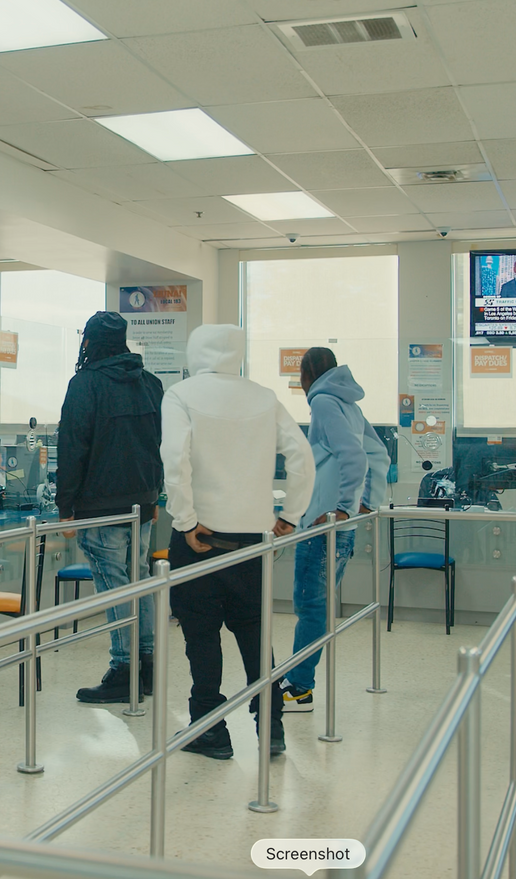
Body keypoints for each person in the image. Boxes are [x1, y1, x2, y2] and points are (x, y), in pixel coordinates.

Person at [161, 325, 314, 759]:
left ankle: (210, 730)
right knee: (254, 633)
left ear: (195, 350)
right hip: (252, 541)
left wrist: (187, 519)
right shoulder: (264, 397)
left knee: (202, 638)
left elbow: (175, 458)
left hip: (199, 540)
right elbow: (301, 457)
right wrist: (291, 515)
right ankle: (272, 727)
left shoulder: (181, 395)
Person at [55, 312, 163, 704]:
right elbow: (158, 446)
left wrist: (65, 507)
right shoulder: (150, 384)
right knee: (138, 580)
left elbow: (72, 447)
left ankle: (124, 669)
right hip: (142, 504)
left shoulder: (85, 384)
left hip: (101, 509)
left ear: (90, 342)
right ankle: (146, 665)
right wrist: (154, 497)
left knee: (115, 587)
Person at [281, 348, 388, 706]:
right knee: (317, 606)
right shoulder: (349, 404)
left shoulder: (325, 403)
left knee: (310, 607)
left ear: (309, 372)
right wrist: (365, 503)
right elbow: (379, 456)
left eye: (300, 372)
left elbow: (354, 456)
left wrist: (343, 508)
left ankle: (299, 687)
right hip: (339, 528)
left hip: (322, 527)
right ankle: (300, 677)